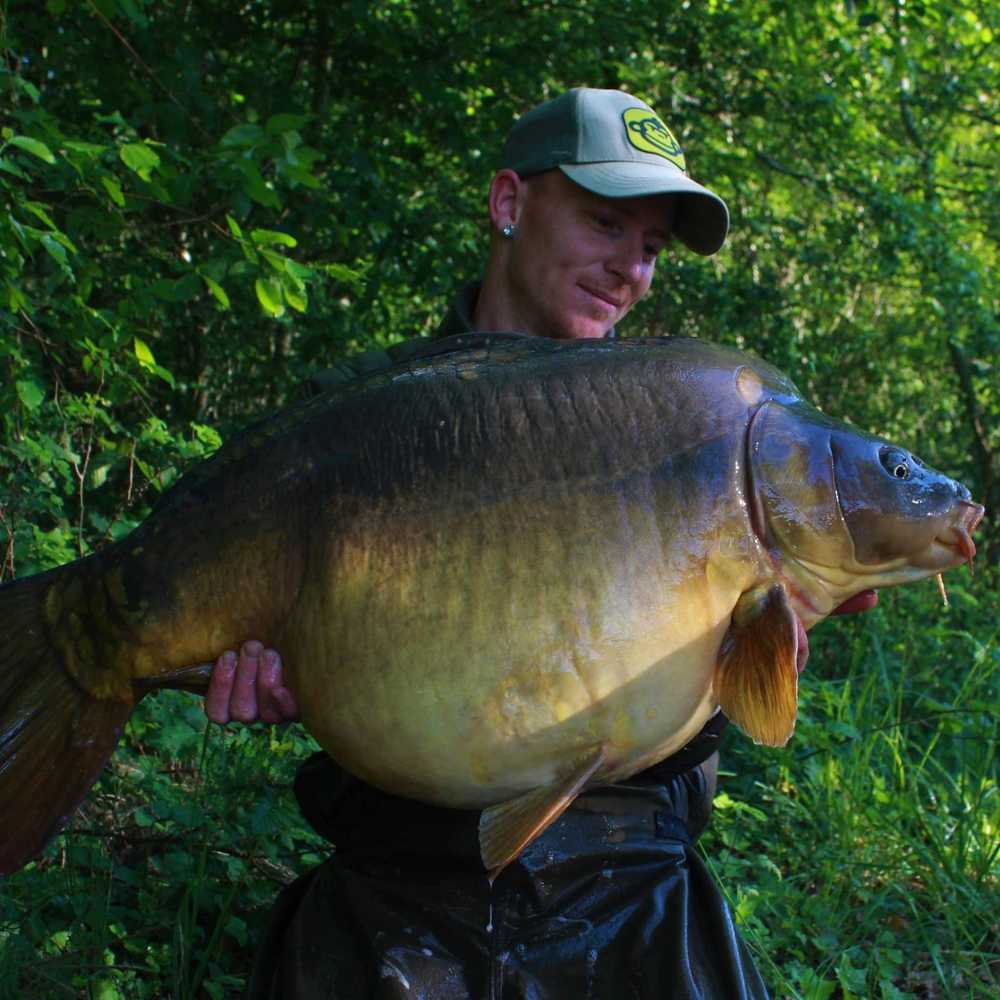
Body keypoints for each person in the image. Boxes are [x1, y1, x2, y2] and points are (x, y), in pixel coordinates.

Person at [204, 88, 876, 999]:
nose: (629, 270)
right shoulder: (372, 423)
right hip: (400, 859)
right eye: (606, 224)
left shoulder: (686, 432)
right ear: (509, 204)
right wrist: (280, 671)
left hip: (628, 871)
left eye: (649, 249)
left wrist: (739, 662)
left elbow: (672, 743)